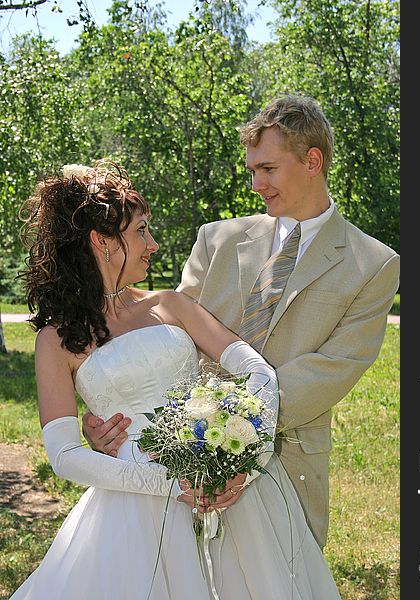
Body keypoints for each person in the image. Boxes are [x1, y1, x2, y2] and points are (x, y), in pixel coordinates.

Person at [11, 161, 341, 600]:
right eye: (141, 231)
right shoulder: (56, 340)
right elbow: (65, 454)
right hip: (133, 503)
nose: (153, 243)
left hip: (230, 491)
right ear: (102, 241)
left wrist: (248, 457)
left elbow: (256, 371)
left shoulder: (171, 305)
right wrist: (167, 485)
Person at [83, 95, 400, 550]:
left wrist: (228, 436)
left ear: (313, 161)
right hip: (179, 469)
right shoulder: (216, 239)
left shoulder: (373, 264)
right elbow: (166, 342)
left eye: (267, 169)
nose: (255, 183)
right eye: (252, 170)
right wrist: (116, 421)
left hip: (288, 464)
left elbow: (331, 369)